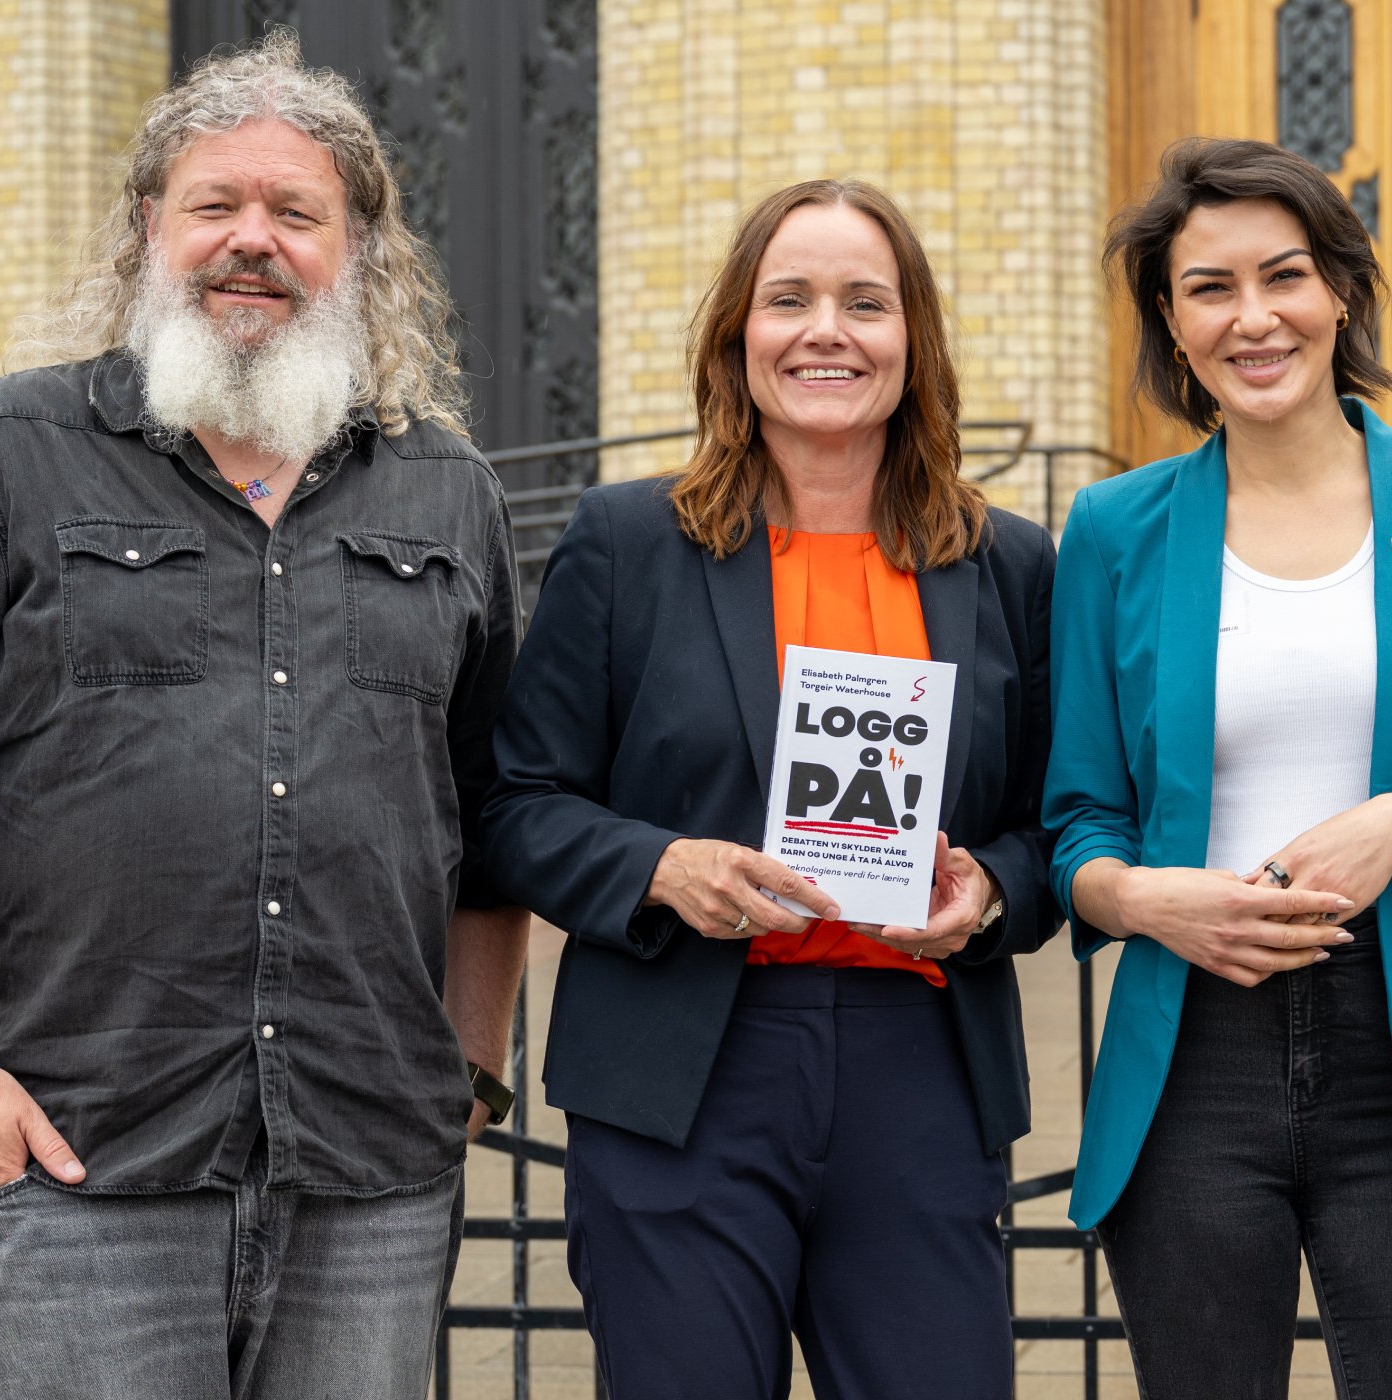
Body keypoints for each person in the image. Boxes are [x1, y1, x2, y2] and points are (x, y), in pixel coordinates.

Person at [0, 32, 528, 1398]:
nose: (250, 242)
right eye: (215, 206)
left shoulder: (450, 495)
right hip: (81, 1163)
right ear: (151, 226)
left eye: (295, 213)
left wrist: (472, 1071)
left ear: (358, 250)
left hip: (367, 1177)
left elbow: (492, 818)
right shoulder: (1, 455)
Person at [481, 178, 1059, 1400]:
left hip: (920, 1068)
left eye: (865, 302)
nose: (826, 331)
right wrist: (658, 867)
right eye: (787, 299)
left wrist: (991, 892)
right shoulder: (627, 543)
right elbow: (516, 803)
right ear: (737, 336)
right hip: (682, 1062)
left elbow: (1055, 824)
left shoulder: (1002, 560)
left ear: (914, 340)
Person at [1043, 137, 1392, 1398]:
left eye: (1282, 275)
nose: (1253, 317)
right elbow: (1075, 814)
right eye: (1207, 287)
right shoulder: (1115, 529)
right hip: (1194, 1048)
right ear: (1170, 324)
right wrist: (1138, 897)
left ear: (1338, 290)